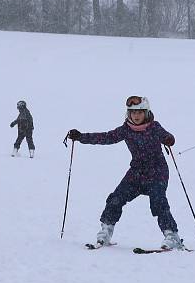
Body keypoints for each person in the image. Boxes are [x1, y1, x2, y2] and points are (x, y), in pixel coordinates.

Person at [66, 96, 183, 250]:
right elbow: (106, 137)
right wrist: (81, 137)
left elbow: (168, 137)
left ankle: (171, 236)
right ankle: (106, 232)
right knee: (116, 198)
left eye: (140, 112)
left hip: (157, 172)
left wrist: (169, 139)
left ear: (146, 112)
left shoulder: (154, 127)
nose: (136, 115)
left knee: (158, 201)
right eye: (132, 112)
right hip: (136, 172)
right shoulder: (126, 130)